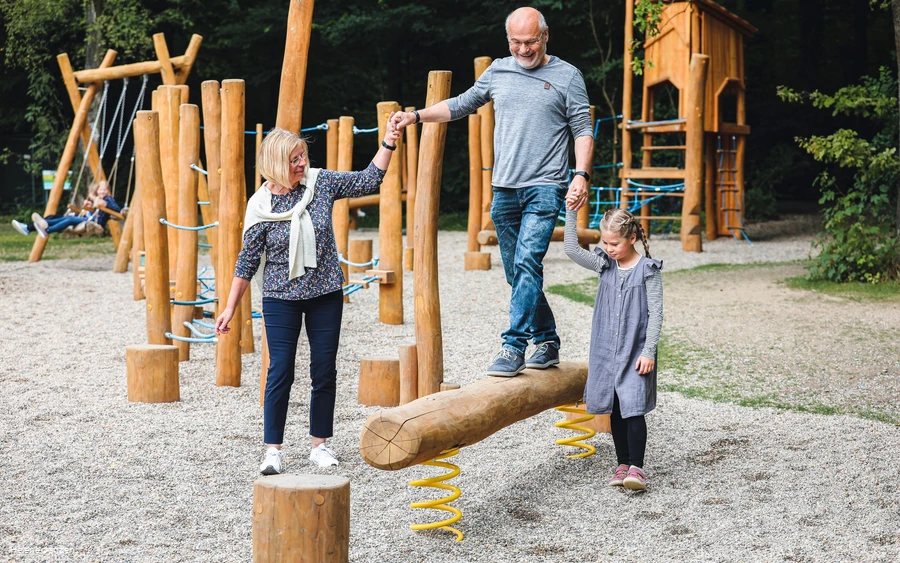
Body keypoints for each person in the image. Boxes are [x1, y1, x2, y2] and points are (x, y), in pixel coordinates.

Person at [390, 6, 594, 377]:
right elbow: (461, 104)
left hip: (545, 187)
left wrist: (580, 175)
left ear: (546, 36)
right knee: (516, 274)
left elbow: (583, 128)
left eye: (530, 41)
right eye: (516, 42)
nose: (523, 49)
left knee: (528, 263)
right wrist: (415, 116)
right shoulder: (499, 70)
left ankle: (514, 346)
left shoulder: (567, 76)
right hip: (504, 191)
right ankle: (547, 340)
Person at [214, 123, 402, 475]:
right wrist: (229, 306)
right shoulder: (260, 207)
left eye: (302, 155)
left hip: (325, 293)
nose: (302, 163)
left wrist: (388, 142)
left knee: (323, 370)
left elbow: (368, 180)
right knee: (280, 370)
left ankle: (320, 445)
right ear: (274, 165)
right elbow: (247, 261)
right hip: (281, 297)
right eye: (293, 160)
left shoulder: (321, 183)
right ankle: (272, 451)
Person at [563, 206, 663, 491]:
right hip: (606, 351)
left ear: (631, 237)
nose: (608, 248)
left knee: (633, 408)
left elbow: (656, 314)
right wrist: (572, 211)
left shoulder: (648, 271)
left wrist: (649, 351)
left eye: (614, 243)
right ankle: (622, 464)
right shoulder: (604, 264)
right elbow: (571, 248)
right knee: (615, 408)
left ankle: (637, 468)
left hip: (635, 351)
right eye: (605, 243)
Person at [12, 181, 120, 237]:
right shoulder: (98, 200)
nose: (102, 192)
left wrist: (103, 203)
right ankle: (31, 226)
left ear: (108, 190)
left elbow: (116, 209)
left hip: (92, 222)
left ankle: (45, 230)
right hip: (86, 218)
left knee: (68, 220)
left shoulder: (108, 199)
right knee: (63, 218)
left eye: (104, 190)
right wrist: (88, 206)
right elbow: (94, 210)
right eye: (100, 190)